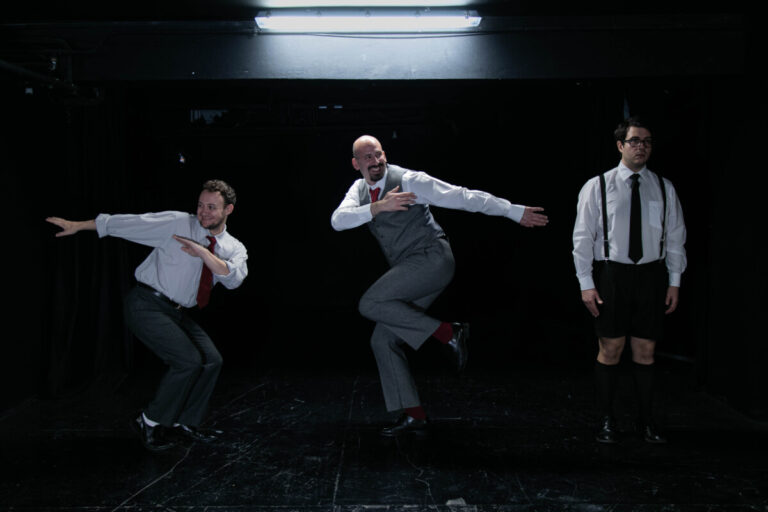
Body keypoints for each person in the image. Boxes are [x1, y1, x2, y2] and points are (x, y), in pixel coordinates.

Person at [331, 135, 548, 437]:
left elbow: (462, 196)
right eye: (367, 157)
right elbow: (338, 221)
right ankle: (414, 415)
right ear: (356, 164)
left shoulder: (409, 180)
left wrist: (512, 210)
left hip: (432, 259)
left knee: (370, 303)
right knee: (382, 339)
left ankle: (449, 333)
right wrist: (378, 207)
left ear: (385, 154)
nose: (375, 161)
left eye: (378, 154)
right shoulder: (358, 190)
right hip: (410, 270)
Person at [46, 179, 248, 451]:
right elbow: (130, 223)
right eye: (200, 205)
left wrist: (202, 252)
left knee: (212, 360)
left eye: (212, 207)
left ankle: (184, 422)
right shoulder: (178, 223)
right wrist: (79, 225)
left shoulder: (234, 247)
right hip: (146, 304)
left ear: (228, 210)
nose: (203, 212)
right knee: (187, 361)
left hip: (176, 312)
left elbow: (232, 279)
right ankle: (149, 421)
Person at [572, 117, 686, 444]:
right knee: (611, 348)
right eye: (635, 141)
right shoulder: (598, 186)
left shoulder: (663, 187)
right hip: (613, 274)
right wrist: (586, 283)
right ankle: (608, 420)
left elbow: (675, 237)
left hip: (651, 275)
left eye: (647, 141)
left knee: (646, 350)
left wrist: (674, 281)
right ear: (620, 145)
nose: (641, 147)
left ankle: (645, 421)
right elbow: (582, 237)